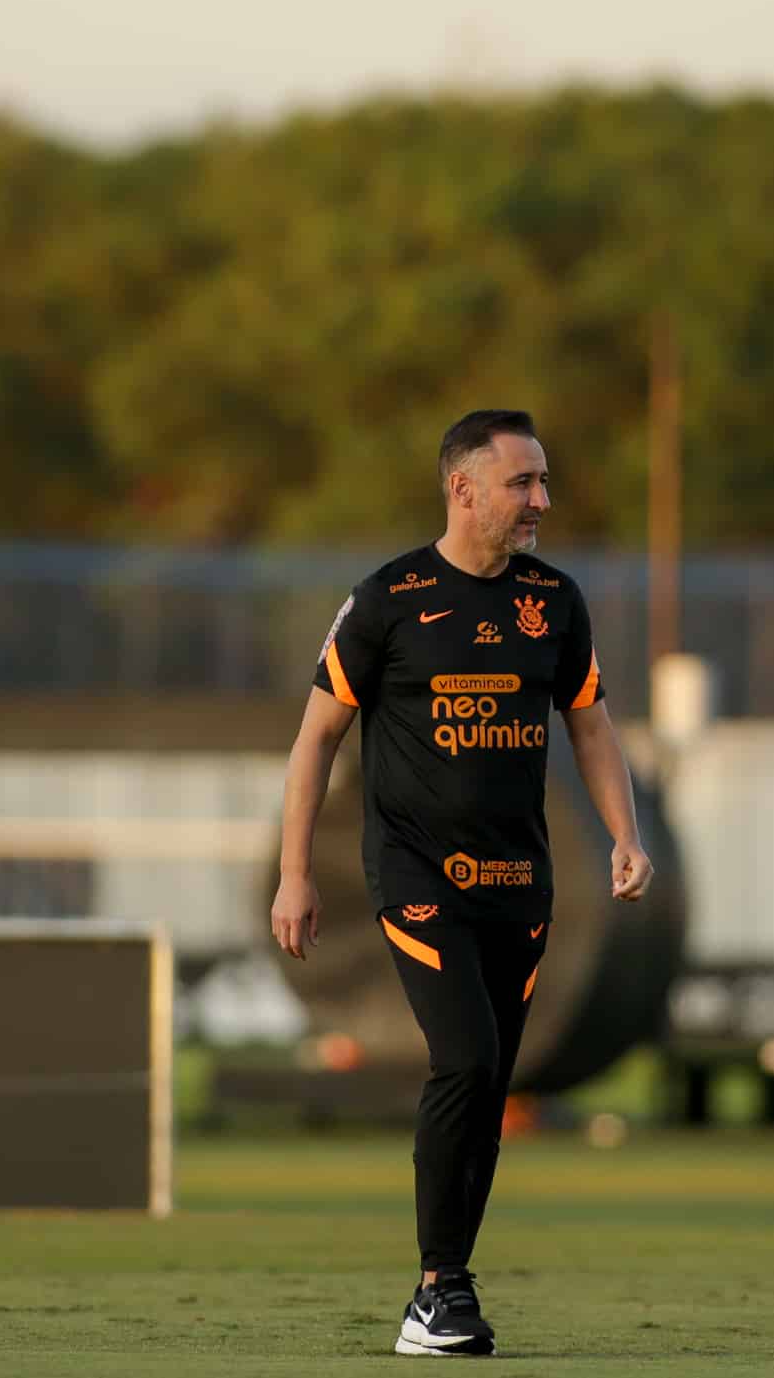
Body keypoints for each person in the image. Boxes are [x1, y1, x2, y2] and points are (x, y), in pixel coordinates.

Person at [271, 408, 654, 1358]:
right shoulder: (387, 599)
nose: (542, 502)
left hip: (520, 883)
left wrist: (626, 834)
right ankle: (440, 1286)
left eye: (544, 481)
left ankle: (445, 1294)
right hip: (415, 875)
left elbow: (593, 727)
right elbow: (316, 737)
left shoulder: (555, 603)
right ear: (464, 487)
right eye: (524, 483)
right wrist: (291, 876)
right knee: (467, 1060)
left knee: (490, 1084)